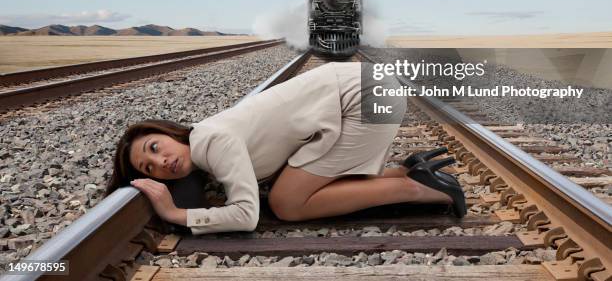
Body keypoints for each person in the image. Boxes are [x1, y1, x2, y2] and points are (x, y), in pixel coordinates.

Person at [105, 62, 466, 234]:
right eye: (148, 167)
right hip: (368, 89)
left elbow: (246, 217)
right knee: (296, 188)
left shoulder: (212, 140)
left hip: (364, 97)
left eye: (154, 147)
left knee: (286, 203)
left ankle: (421, 188)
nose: (161, 161)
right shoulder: (206, 139)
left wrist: (174, 214)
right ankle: (407, 170)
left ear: (169, 133)